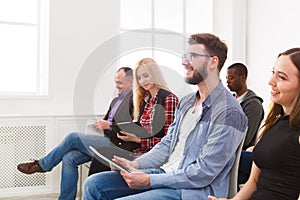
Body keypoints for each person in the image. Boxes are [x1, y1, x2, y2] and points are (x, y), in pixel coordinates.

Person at [83, 33, 248, 200]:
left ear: (213, 62)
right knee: (94, 184)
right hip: (167, 172)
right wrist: (135, 164)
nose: (184, 62)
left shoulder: (229, 113)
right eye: (185, 56)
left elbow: (203, 173)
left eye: (193, 56)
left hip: (193, 190)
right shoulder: (187, 102)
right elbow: (167, 144)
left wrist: (149, 180)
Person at [17, 67, 135, 200]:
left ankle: (43, 165)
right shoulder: (116, 101)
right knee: (69, 157)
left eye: (120, 83)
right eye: (115, 82)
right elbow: (109, 122)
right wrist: (100, 126)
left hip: (116, 145)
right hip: (104, 138)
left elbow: (131, 128)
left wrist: (109, 125)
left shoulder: (135, 101)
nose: (117, 86)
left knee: (73, 137)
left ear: (131, 82)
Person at [208, 48, 300, 200]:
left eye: (282, 77)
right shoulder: (272, 123)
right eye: (273, 72)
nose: (271, 82)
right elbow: (254, 181)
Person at [88, 58, 179, 175]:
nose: (143, 81)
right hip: (136, 149)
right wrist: (130, 133)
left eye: (146, 75)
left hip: (151, 154)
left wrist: (138, 140)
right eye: (139, 78)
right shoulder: (145, 100)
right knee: (101, 156)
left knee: (102, 158)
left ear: (155, 74)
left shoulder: (168, 99)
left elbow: (169, 141)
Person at [226, 63, 264, 186]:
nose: (227, 81)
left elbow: (246, 138)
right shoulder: (229, 102)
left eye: (231, 77)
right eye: (226, 77)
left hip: (239, 154)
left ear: (243, 78)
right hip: (227, 151)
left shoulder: (253, 105)